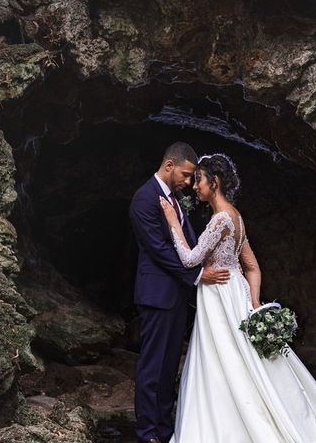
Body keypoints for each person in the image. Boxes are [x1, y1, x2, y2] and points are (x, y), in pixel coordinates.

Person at [159, 153, 316, 443]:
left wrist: (173, 223)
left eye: (199, 180)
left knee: (224, 358)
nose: (194, 186)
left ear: (214, 182)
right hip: (235, 293)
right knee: (239, 359)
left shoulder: (220, 219)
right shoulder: (236, 217)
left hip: (220, 297)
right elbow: (252, 266)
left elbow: (190, 259)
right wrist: (253, 303)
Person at [129, 142, 231, 443]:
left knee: (169, 364)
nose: (188, 182)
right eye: (186, 175)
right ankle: (147, 432)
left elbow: (185, 242)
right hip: (157, 295)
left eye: (192, 177)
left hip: (174, 295)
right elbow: (158, 249)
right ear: (170, 165)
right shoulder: (145, 198)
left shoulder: (173, 199)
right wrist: (199, 275)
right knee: (152, 367)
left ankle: (164, 427)